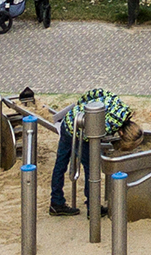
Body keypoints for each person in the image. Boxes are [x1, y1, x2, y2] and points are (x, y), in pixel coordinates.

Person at [45, 88, 137, 216]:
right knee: (91, 169)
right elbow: (91, 137)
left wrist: (81, 105)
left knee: (60, 163)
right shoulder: (110, 125)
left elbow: (97, 92)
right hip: (78, 131)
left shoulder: (120, 104)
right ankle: (93, 208)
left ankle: (56, 202)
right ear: (122, 133)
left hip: (69, 119)